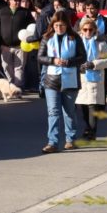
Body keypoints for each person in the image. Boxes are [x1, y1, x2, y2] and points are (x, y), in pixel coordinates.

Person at [38, 11, 86, 153]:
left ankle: (70, 139)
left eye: (62, 25)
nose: (59, 28)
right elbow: (40, 57)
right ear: (53, 25)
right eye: (57, 25)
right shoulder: (47, 38)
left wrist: (69, 62)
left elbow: (83, 57)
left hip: (70, 79)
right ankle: (52, 142)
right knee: (53, 112)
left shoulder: (75, 37)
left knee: (69, 111)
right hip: (52, 80)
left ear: (67, 25)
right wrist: (53, 60)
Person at [74, 18, 107, 140]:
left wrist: (94, 64)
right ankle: (88, 127)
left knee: (92, 106)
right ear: (81, 30)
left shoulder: (101, 43)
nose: (88, 32)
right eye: (85, 29)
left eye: (91, 29)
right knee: (83, 106)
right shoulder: (76, 42)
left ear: (95, 30)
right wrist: (77, 65)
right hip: (81, 77)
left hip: (95, 77)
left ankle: (92, 132)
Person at [0, 0, 35, 87]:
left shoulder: (25, 12)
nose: (18, 2)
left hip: (20, 46)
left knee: (19, 68)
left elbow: (33, 26)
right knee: (6, 67)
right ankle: (11, 86)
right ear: (9, 1)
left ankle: (17, 88)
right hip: (5, 46)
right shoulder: (3, 11)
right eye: (15, 0)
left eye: (19, 0)